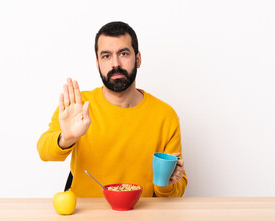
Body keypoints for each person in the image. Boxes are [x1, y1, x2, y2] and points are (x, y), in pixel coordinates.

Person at [37, 21, 187, 197]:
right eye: (106, 56)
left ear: (138, 59)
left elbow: (176, 191)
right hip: (85, 216)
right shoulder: (79, 105)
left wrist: (167, 184)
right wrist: (67, 138)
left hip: (141, 217)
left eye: (123, 53)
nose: (115, 64)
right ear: (97, 62)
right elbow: (44, 152)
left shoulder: (165, 116)